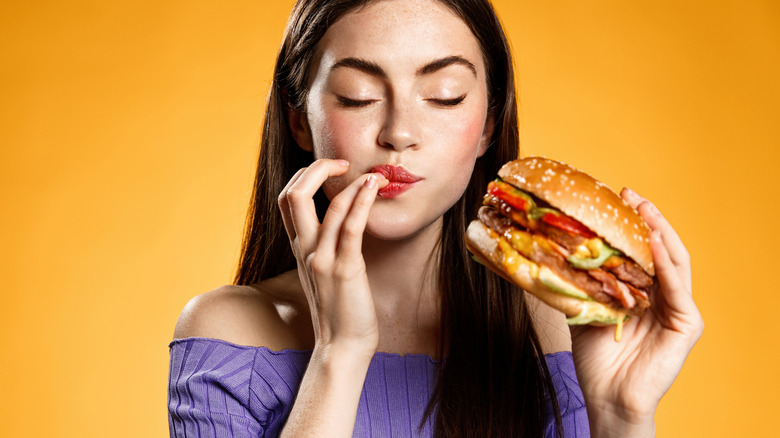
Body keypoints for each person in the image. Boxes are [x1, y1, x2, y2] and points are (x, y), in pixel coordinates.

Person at [167, 0, 703, 436]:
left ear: (489, 125)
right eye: (358, 97)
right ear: (299, 122)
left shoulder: (561, 333)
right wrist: (341, 353)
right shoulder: (228, 334)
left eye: (444, 97)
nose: (400, 132)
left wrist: (622, 420)